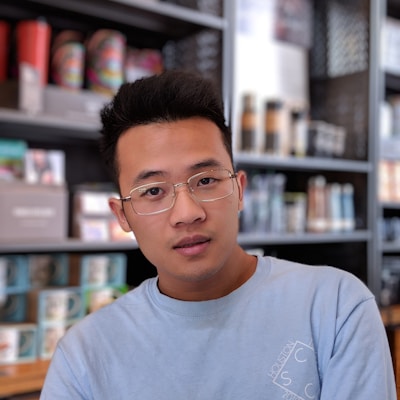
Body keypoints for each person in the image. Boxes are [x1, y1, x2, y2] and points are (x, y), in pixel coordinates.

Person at [40, 70, 396, 399]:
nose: (187, 213)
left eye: (206, 180)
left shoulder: (334, 308)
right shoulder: (84, 356)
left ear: (240, 190)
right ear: (123, 215)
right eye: (153, 191)